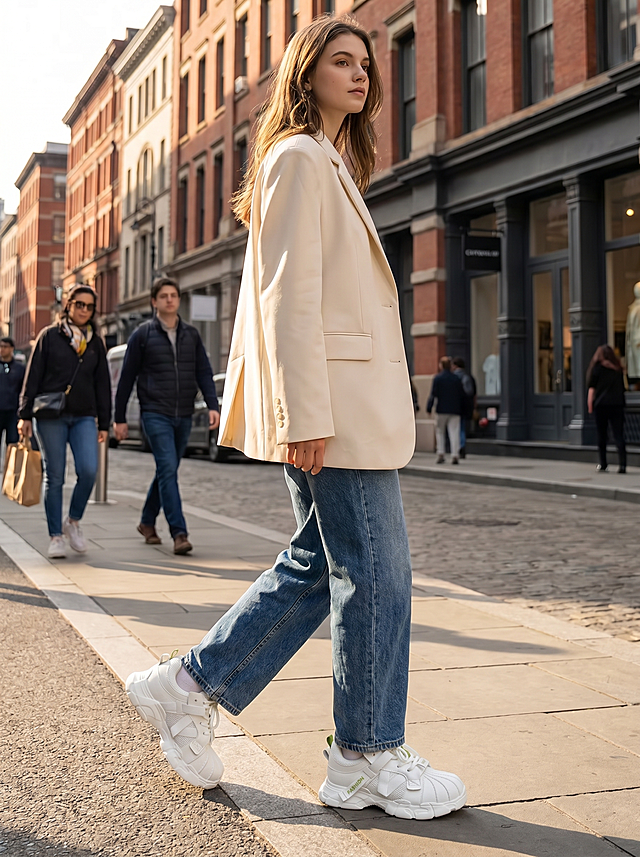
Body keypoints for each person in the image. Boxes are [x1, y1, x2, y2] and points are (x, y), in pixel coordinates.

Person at [125, 16, 466, 821]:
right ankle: (369, 754)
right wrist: (304, 414)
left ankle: (189, 688)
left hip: (342, 406)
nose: (360, 74)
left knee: (327, 568)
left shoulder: (331, 163)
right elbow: (285, 301)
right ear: (305, 74)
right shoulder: (298, 158)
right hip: (331, 411)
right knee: (379, 574)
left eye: (365, 63)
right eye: (341, 61)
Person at [113, 277, 220, 555]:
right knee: (168, 469)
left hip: (184, 413)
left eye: (174, 295)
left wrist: (212, 404)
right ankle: (179, 533)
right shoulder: (142, 335)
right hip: (155, 412)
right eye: (164, 296)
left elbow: (203, 372)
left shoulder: (191, 335)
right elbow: (126, 379)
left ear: (178, 300)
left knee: (167, 469)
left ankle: (147, 522)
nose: (169, 300)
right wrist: (119, 418)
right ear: (154, 301)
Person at [17, 284, 111, 559]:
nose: (83, 310)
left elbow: (102, 384)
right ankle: (55, 536)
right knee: (55, 475)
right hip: (50, 416)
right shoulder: (49, 336)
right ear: (68, 305)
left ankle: (72, 522)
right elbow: (32, 377)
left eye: (89, 306)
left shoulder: (95, 341)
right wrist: (23, 416)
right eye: (78, 304)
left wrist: (104, 422)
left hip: (83, 416)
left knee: (89, 470)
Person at [587, 344, 626, 474]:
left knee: (602, 435)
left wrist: (590, 406)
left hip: (601, 405)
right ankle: (622, 465)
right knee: (618, 435)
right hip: (617, 404)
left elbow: (592, 389)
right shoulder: (618, 369)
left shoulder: (597, 369)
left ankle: (603, 464)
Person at [426, 357, 465, 464]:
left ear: (441, 366)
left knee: (440, 432)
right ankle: (455, 454)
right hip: (455, 410)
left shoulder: (438, 378)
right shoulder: (456, 379)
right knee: (454, 432)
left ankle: (441, 453)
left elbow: (433, 394)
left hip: (441, 409)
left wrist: (429, 407)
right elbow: (462, 395)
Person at [0, 336, 25, 451]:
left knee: (13, 445)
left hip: (13, 412)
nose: (2, 349)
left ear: (12, 349)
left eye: (5, 347)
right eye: (0, 346)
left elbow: (24, 389)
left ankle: (11, 469)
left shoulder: (20, 368)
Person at [451, 356, 476, 459]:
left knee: (456, 428)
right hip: (465, 406)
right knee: (461, 428)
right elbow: (471, 392)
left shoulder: (454, 378)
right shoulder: (467, 376)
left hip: (456, 407)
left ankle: (459, 447)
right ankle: (461, 446)